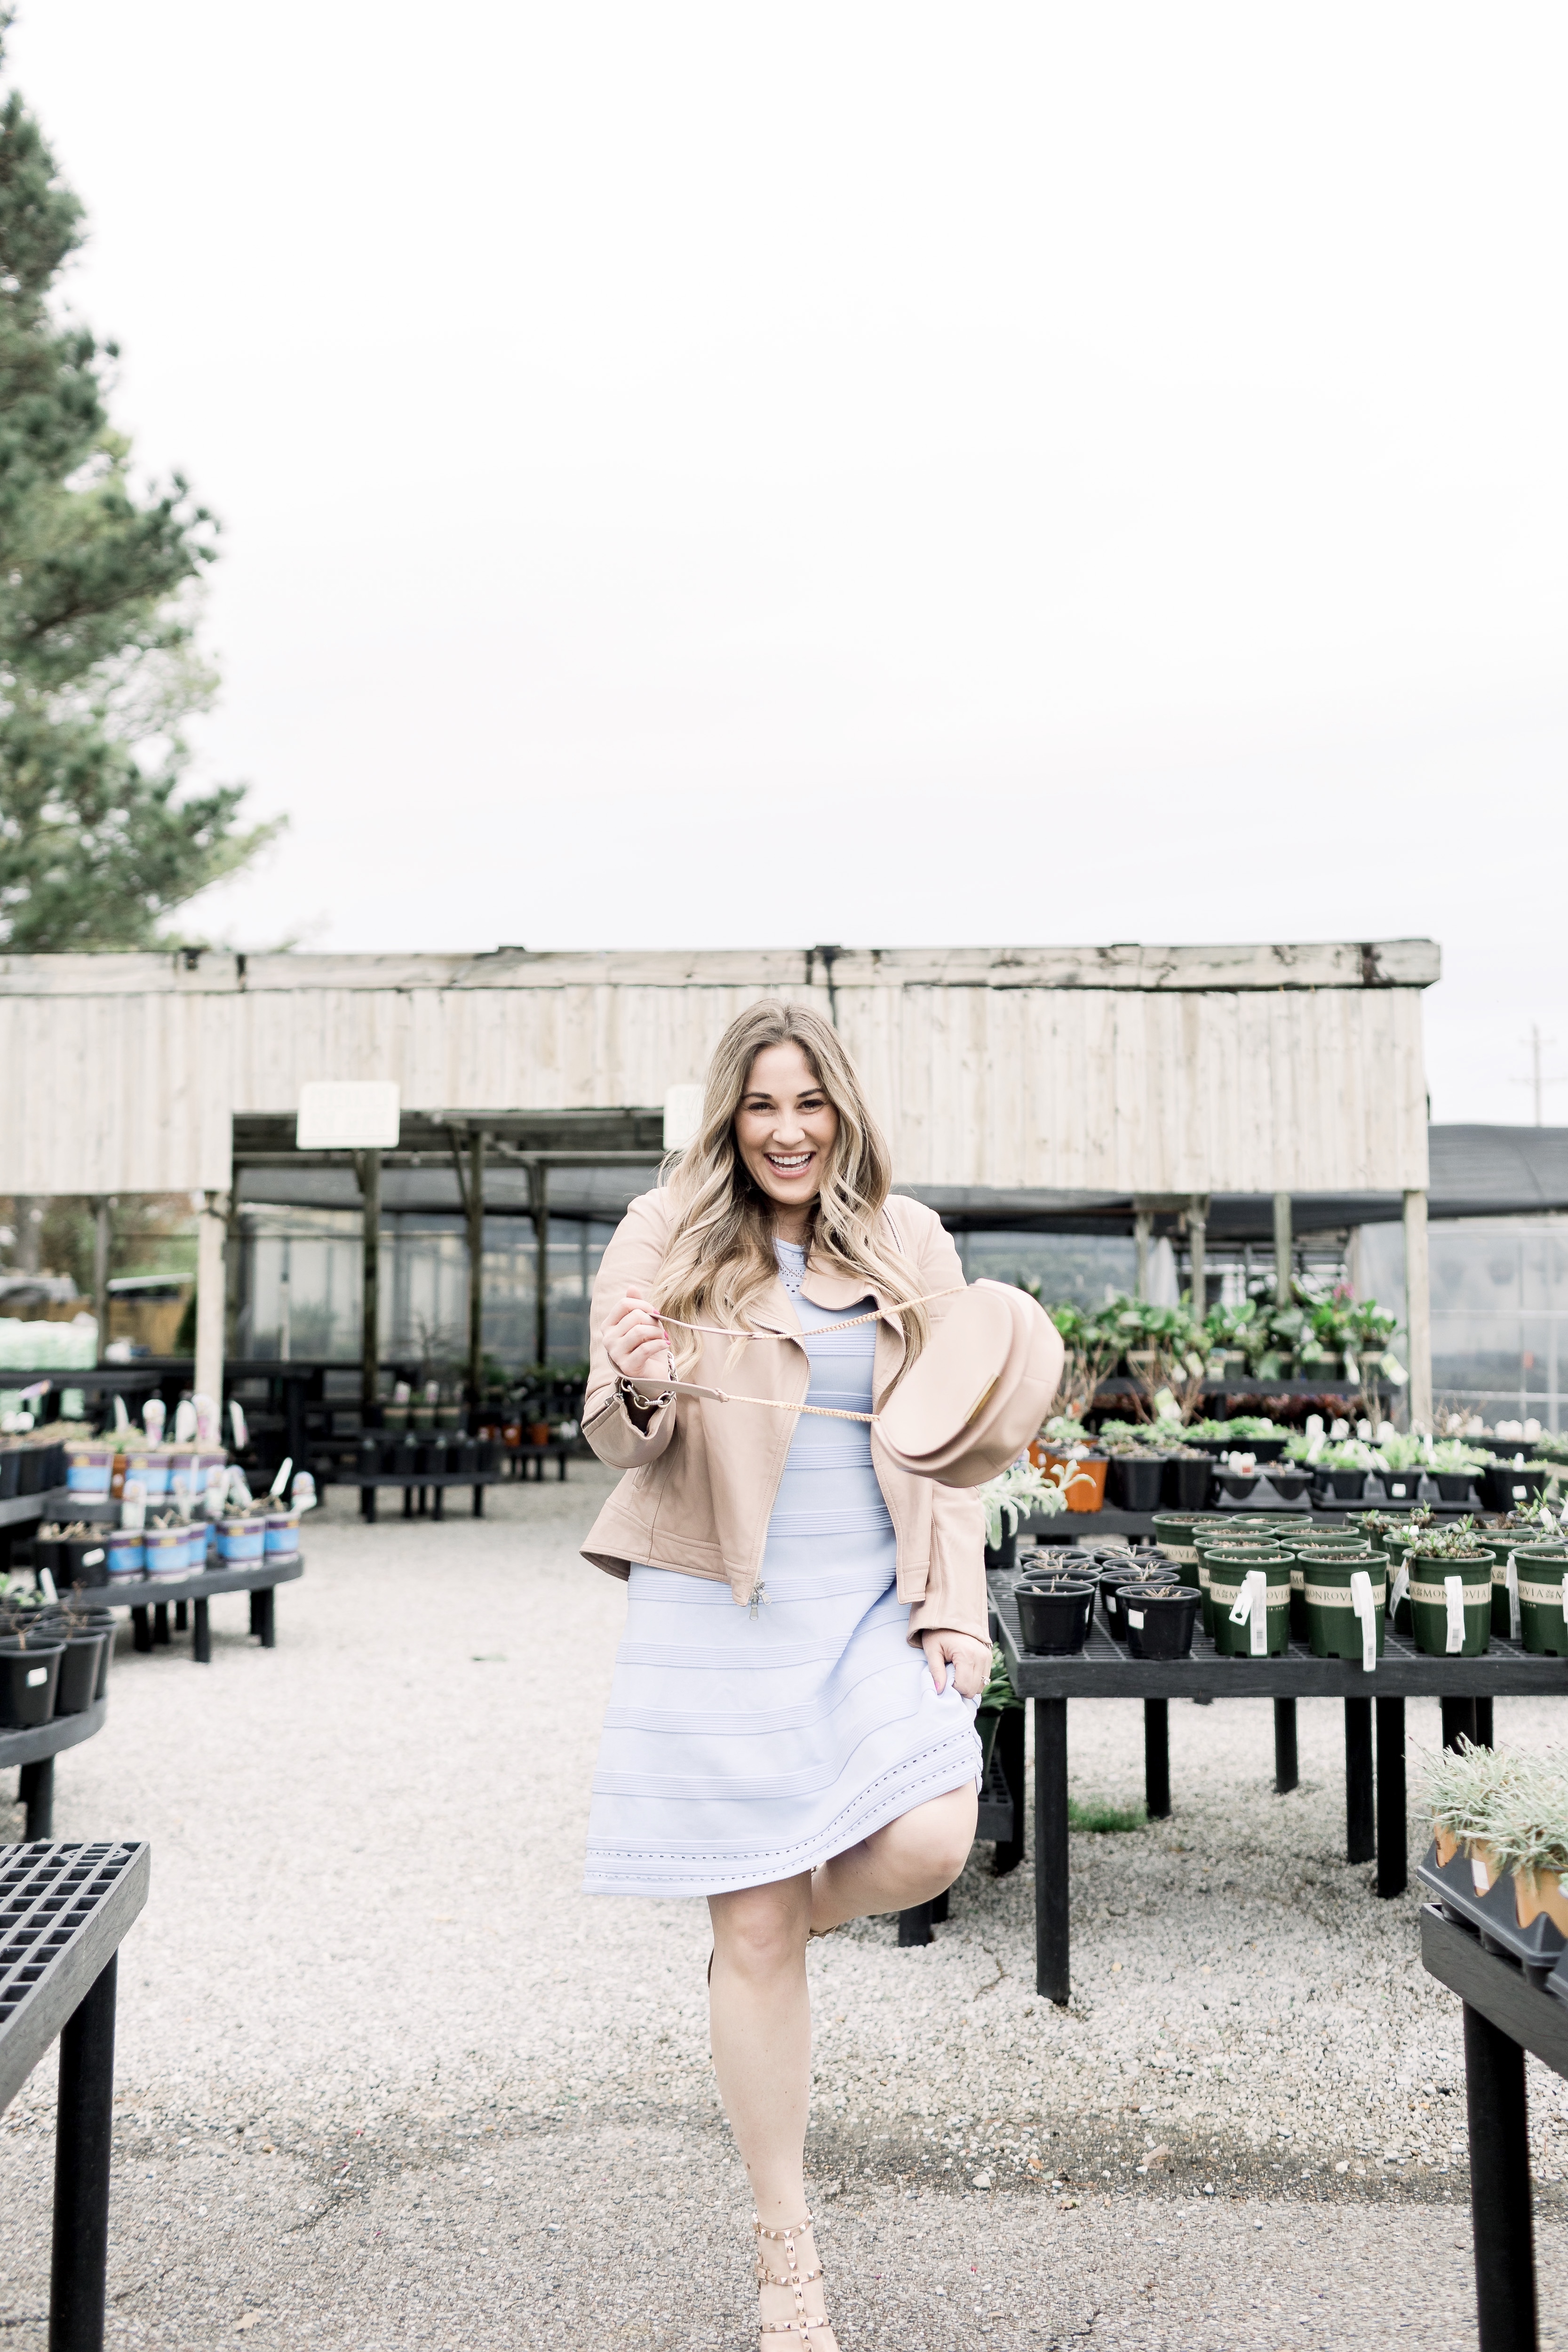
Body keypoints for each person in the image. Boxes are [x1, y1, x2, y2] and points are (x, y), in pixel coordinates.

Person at [580, 999, 993, 2351]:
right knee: (746, 1937)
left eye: (809, 1103)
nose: (789, 1129)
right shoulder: (667, 1233)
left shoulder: (912, 1240)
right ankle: (785, 2253)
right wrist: (641, 1381)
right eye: (763, 1105)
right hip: (720, 1609)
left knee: (935, 1835)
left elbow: (962, 1444)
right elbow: (617, 1432)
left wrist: (954, 1611)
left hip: (872, 1601)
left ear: (845, 1110)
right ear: (730, 1116)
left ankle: (781, 1925)